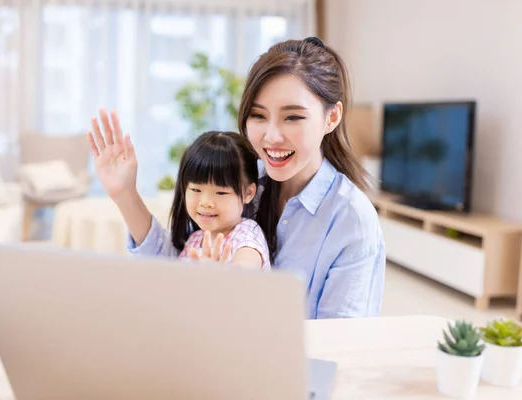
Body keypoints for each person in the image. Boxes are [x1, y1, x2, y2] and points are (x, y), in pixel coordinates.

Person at [92, 36, 385, 319]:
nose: (271, 136)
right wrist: (125, 194)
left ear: (331, 118)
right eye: (258, 116)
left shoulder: (351, 220)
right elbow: (178, 262)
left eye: (292, 117)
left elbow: (343, 345)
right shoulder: (242, 181)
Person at [88, 124, 271, 270]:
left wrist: (222, 278)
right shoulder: (196, 238)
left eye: (221, 192)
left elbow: (247, 266)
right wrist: (124, 192)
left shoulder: (246, 233)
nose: (205, 202)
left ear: (248, 193)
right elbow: (161, 257)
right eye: (196, 190)